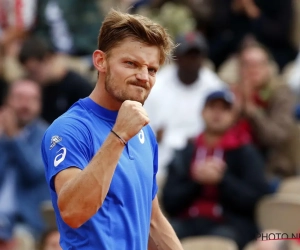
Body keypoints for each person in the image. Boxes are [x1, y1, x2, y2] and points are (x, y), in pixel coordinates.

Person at [41, 9, 183, 250]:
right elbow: (73, 212)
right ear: (100, 61)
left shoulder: (143, 131)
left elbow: (153, 222)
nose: (143, 77)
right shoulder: (69, 128)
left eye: (152, 69)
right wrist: (119, 135)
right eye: (131, 63)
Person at [162, 89, 270, 250]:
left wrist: (222, 180)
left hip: (229, 223)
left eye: (225, 109)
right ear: (202, 112)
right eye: (213, 108)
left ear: (234, 116)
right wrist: (196, 181)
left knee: (221, 242)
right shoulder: (186, 152)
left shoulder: (246, 152)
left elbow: (256, 199)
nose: (217, 114)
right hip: (188, 220)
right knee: (162, 237)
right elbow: (169, 201)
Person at [144, 31, 225, 177]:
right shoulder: (156, 85)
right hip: (161, 165)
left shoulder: (215, 87)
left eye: (196, 56)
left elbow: (222, 129)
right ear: (177, 58)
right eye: (187, 55)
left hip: (202, 162)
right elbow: (145, 134)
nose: (192, 61)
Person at [232, 43, 300, 191]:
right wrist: (235, 112)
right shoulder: (231, 94)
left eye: (258, 64)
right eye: (247, 64)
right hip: (235, 169)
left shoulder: (282, 93)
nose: (253, 69)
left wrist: (252, 111)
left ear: (268, 67)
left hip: (274, 169)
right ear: (239, 68)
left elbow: (276, 137)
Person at [0, 80, 50, 238]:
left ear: (39, 104)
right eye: (19, 98)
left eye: (31, 99)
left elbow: (33, 172)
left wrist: (14, 136)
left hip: (26, 223)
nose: (25, 105)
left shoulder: (48, 135)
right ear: (7, 101)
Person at [18, 36, 93, 123]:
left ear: (48, 59)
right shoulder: (39, 89)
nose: (33, 77)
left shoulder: (78, 86)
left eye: (35, 72)